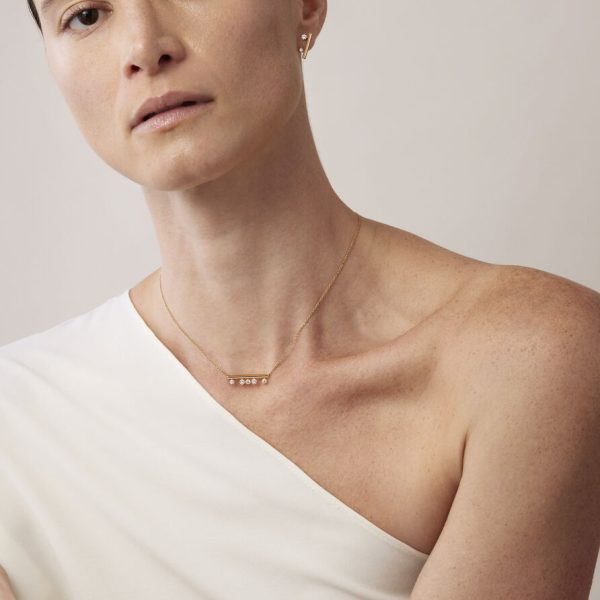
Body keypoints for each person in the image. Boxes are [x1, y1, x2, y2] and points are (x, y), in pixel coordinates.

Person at [1, 0, 599, 598]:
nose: (143, 49)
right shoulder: (18, 430)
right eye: (84, 14)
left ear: (307, 6)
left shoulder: (526, 359)